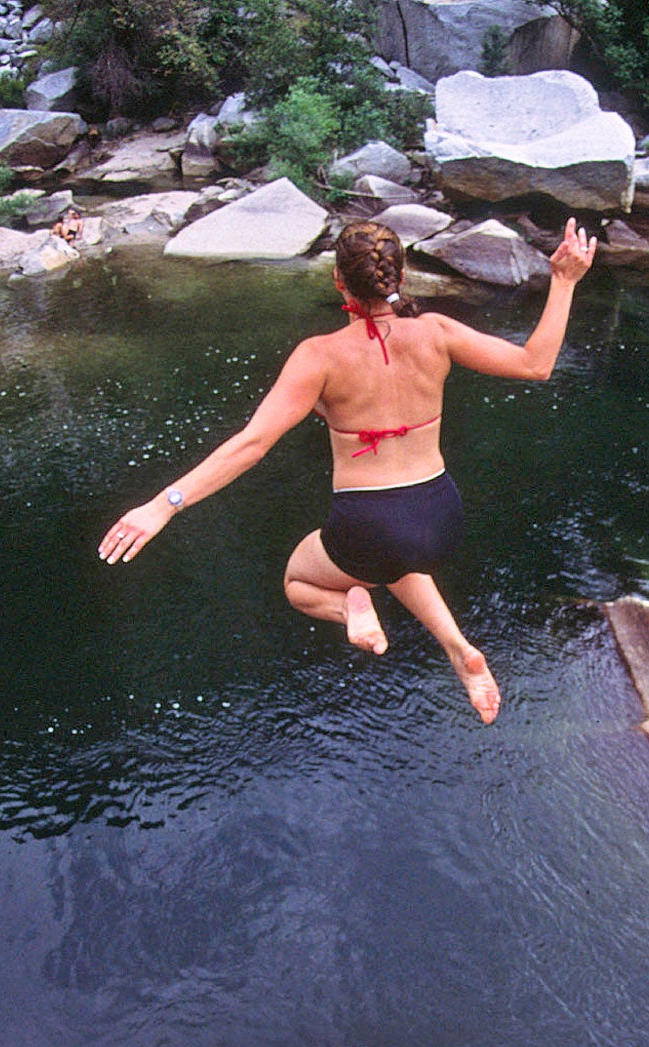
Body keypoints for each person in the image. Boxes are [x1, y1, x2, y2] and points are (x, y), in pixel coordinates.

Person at [99, 216, 596, 723]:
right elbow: (536, 364)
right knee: (397, 561)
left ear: (339, 280)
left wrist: (164, 505)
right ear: (399, 276)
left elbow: (252, 444)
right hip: (441, 513)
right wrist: (564, 281)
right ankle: (459, 650)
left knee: (300, 582)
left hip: (368, 523)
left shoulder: (319, 356)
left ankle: (349, 605)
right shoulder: (437, 332)